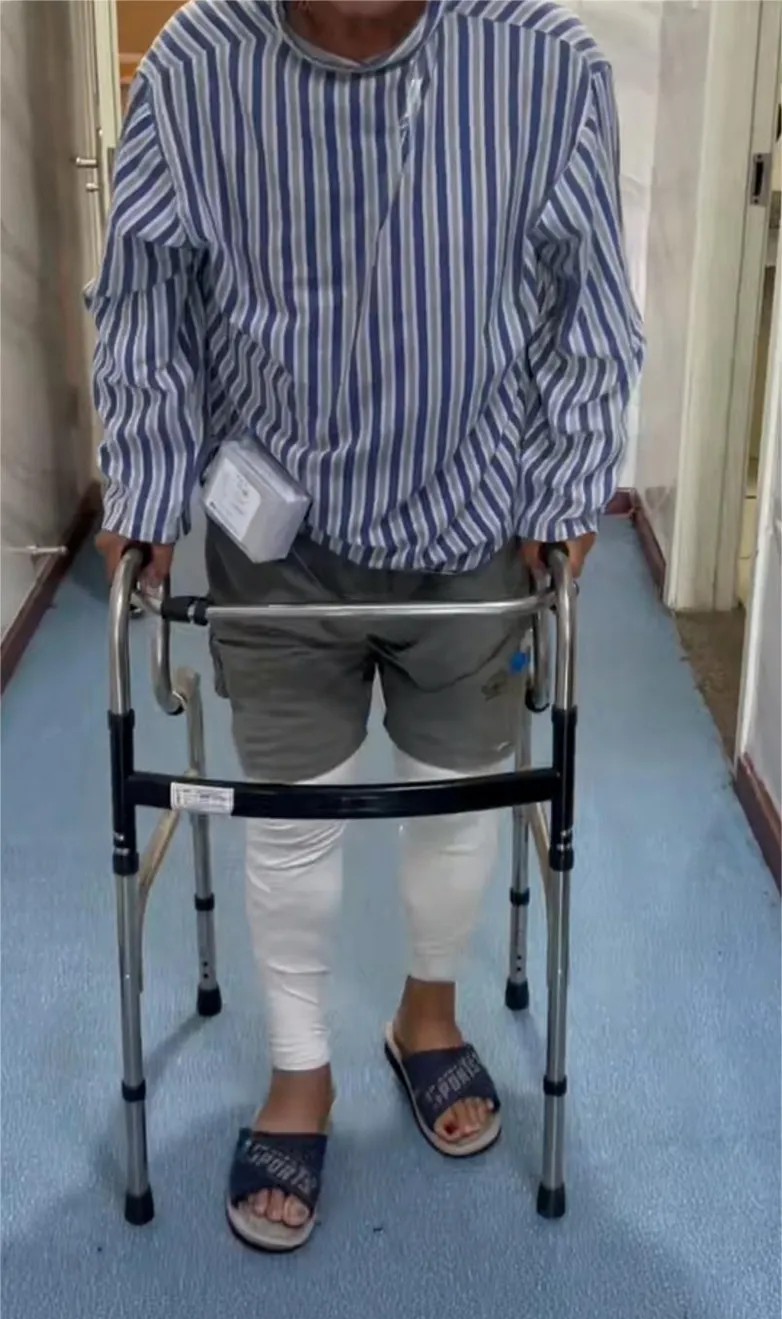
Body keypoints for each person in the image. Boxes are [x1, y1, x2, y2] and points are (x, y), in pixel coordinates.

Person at [90, 0, 644, 1251]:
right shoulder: (195, 67)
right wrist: (146, 485)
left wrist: (563, 489)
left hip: (470, 519)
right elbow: (142, 298)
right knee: (291, 816)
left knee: (454, 798)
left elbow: (590, 303)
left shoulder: (543, 66)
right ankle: (300, 1071)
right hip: (276, 539)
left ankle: (424, 1018)